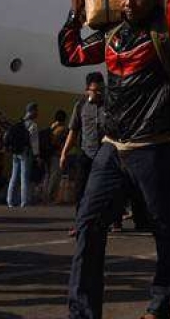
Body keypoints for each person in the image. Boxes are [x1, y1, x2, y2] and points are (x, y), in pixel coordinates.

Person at [58, 0, 170, 319]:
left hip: (154, 149)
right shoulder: (112, 38)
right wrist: (74, 13)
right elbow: (69, 55)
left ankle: (159, 305)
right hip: (111, 148)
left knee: (165, 231)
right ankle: (82, 312)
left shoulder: (166, 31)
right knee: (88, 224)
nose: (128, 2)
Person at [61, 72, 106, 234]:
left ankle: (105, 222)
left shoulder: (109, 105)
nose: (100, 94)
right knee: (80, 191)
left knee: (102, 192)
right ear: (87, 90)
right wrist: (64, 153)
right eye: (96, 90)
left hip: (105, 156)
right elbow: (73, 131)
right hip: (86, 154)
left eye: (102, 90)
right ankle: (80, 224)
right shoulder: (80, 106)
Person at [6, 102, 39, 208]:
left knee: (14, 176)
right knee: (24, 177)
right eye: (36, 110)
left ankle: (10, 200)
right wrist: (37, 155)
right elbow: (34, 142)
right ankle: (24, 201)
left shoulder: (19, 123)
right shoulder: (33, 125)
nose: (37, 113)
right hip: (25, 152)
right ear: (32, 111)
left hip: (16, 152)